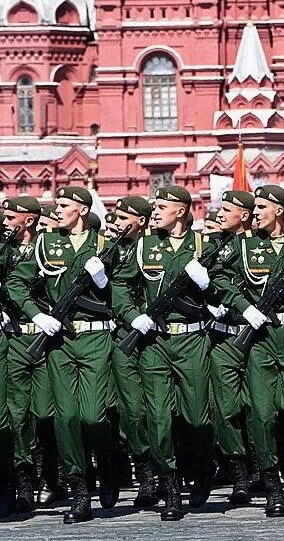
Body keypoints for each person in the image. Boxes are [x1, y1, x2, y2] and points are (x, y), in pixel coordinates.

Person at [7, 187, 118, 524]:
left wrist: (103, 278)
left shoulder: (104, 244)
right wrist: (36, 314)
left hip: (96, 336)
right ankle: (79, 491)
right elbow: (15, 282)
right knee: (65, 418)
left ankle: (109, 462)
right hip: (58, 342)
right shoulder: (45, 243)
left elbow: (125, 290)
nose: (57, 211)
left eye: (65, 206)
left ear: (82, 210)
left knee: (93, 416)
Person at [112, 186, 218, 521]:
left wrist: (207, 287)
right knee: (158, 419)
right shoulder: (144, 245)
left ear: (183, 211)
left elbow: (222, 289)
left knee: (198, 416)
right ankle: (171, 489)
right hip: (155, 344)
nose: (155, 212)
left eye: (162, 206)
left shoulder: (203, 246)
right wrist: (133, 316)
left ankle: (202, 469)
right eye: (154, 206)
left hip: (192, 341)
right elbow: (120, 286)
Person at [216, 185, 284, 517]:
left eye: (261, 207)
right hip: (259, 336)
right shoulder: (243, 247)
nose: (254, 212)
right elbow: (219, 278)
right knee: (261, 414)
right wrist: (243, 305)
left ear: (281, 210)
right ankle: (273, 486)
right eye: (254, 207)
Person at [107, 197, 158, 508]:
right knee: (131, 410)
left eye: (126, 215)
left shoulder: (155, 247)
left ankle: (168, 468)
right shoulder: (109, 249)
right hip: (122, 335)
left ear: (141, 220)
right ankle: (145, 471)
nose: (119, 220)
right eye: (117, 214)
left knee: (159, 410)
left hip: (155, 336)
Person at [209, 190, 255, 506]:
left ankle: (266, 469)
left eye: (228, 209)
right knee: (225, 409)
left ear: (246, 215)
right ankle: (239, 475)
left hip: (258, 337)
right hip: (224, 338)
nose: (220, 213)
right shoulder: (211, 248)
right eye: (220, 208)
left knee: (259, 409)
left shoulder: (261, 246)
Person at [0, 197, 43, 517]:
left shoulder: (48, 246)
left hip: (46, 338)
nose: (5, 220)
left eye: (11, 216)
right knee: (12, 415)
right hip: (11, 338)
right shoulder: (4, 249)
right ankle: (18, 481)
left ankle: (51, 474)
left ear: (27, 221)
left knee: (44, 413)